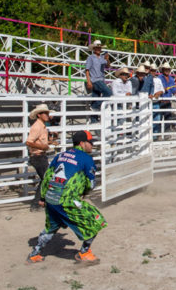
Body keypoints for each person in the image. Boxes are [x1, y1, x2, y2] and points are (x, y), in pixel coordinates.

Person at [26, 130, 107, 265]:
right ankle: (84, 252)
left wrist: (43, 198)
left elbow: (47, 177)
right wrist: (84, 191)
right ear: (82, 143)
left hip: (51, 198)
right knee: (96, 220)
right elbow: (91, 184)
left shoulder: (60, 155)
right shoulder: (86, 158)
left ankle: (35, 254)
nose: (92, 145)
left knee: (51, 227)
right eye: (90, 143)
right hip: (67, 200)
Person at [26, 103, 55, 208]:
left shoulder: (41, 126)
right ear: (39, 115)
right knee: (46, 179)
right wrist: (43, 147)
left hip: (40, 156)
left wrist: (50, 143)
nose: (47, 115)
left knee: (46, 179)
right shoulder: (37, 127)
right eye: (45, 113)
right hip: (38, 156)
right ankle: (37, 203)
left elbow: (38, 141)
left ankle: (39, 202)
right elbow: (29, 142)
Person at [85, 40, 112, 111]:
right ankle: (96, 106)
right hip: (95, 80)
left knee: (95, 97)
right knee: (109, 92)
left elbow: (108, 66)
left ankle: (94, 118)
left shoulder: (102, 57)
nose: (99, 49)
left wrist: (107, 59)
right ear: (94, 49)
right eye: (97, 48)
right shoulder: (90, 58)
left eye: (99, 48)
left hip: (101, 80)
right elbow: (87, 70)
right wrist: (89, 81)